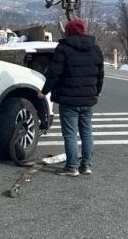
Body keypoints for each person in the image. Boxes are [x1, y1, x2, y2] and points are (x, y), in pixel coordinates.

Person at [37, 18, 104, 176]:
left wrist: (44, 91)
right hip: (88, 99)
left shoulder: (64, 48)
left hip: (68, 100)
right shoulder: (95, 48)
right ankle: (86, 166)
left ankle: (72, 167)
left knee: (70, 134)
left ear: (68, 32)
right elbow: (100, 73)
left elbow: (54, 73)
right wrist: (97, 90)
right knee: (86, 133)